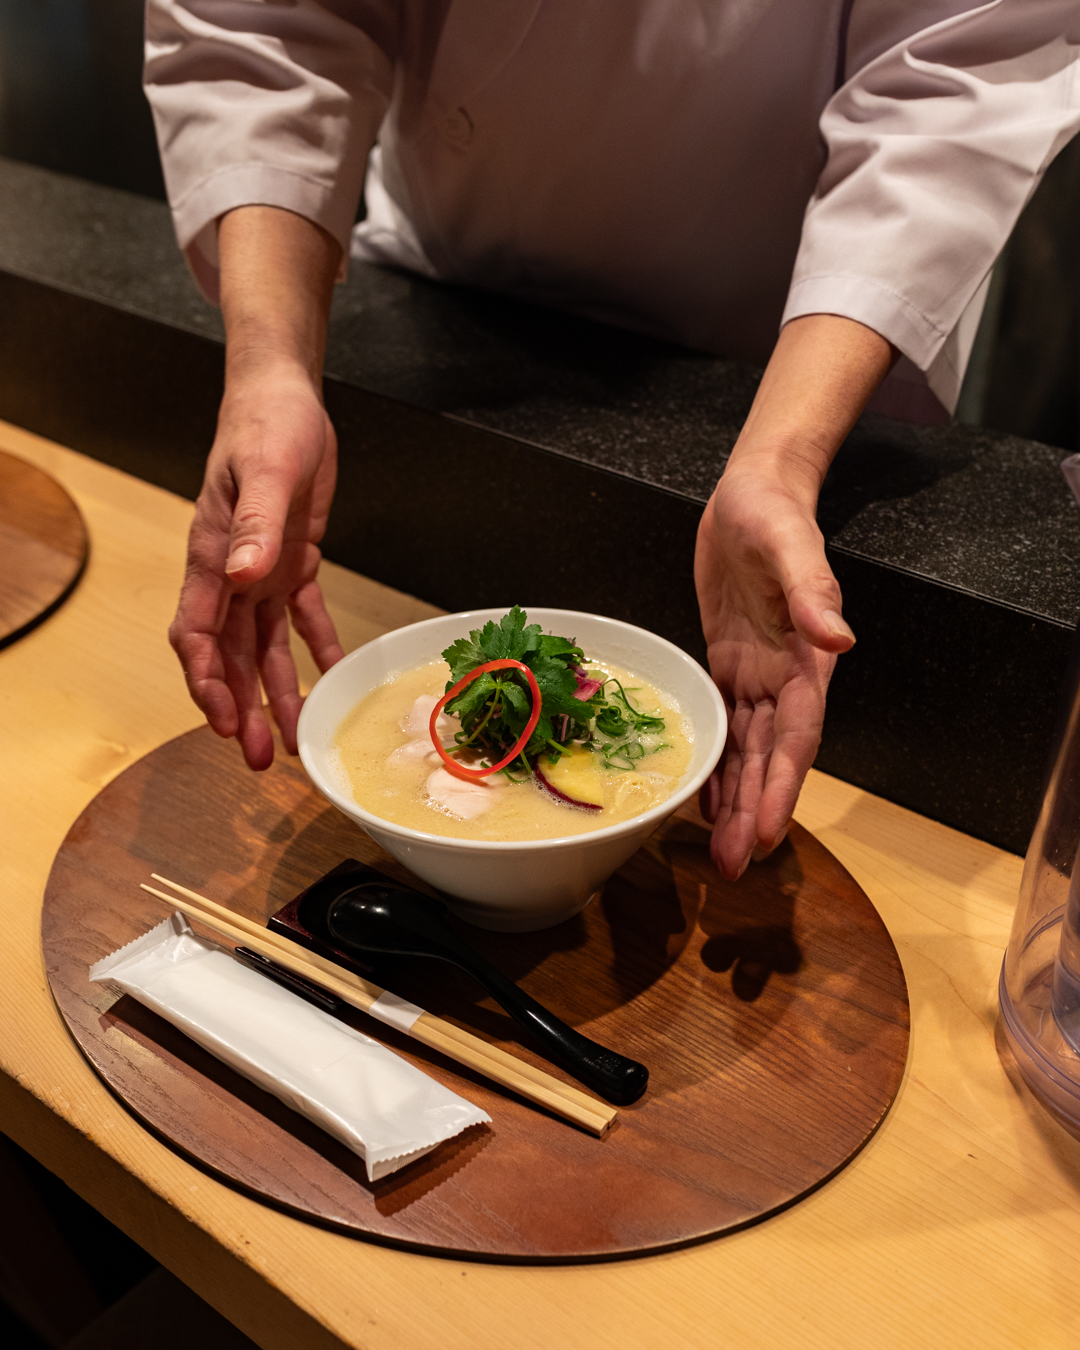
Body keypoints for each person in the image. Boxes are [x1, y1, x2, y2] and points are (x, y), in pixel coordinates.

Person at [144, 0, 1080, 879]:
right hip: (454, 298)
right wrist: (269, 370)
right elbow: (264, 28)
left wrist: (780, 460)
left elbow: (954, 81)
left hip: (786, 339)